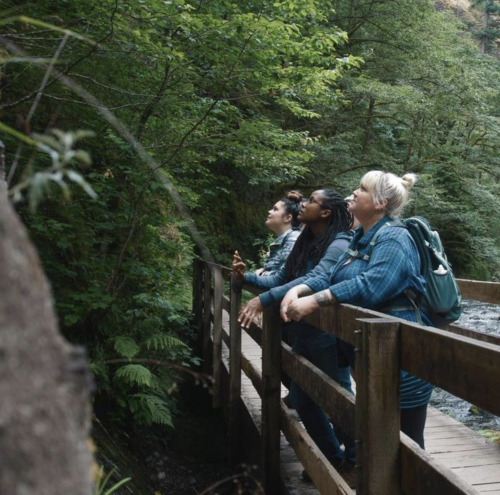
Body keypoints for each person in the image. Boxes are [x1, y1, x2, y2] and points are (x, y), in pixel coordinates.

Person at [281, 171, 434, 451]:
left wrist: (315, 301)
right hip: (371, 357)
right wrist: (299, 290)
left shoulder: (395, 238)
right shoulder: (360, 237)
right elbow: (332, 275)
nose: (354, 192)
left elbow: (372, 285)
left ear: (380, 203)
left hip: (402, 361)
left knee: (408, 447)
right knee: (378, 441)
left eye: (362, 189)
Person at [233, 189, 357, 485]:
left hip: (329, 334)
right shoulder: (307, 239)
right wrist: (246, 277)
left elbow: (316, 280)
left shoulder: (339, 242)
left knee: (340, 399)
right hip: (304, 331)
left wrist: (262, 301)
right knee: (302, 398)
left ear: (325, 212)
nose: (303, 203)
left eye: (310, 201)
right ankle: (332, 456)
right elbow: (284, 279)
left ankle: (356, 461)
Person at [254, 191, 303, 276]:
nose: (269, 211)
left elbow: (286, 275)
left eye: (275, 209)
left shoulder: (293, 238)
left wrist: (262, 274)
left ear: (288, 218)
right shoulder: (287, 238)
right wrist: (264, 269)